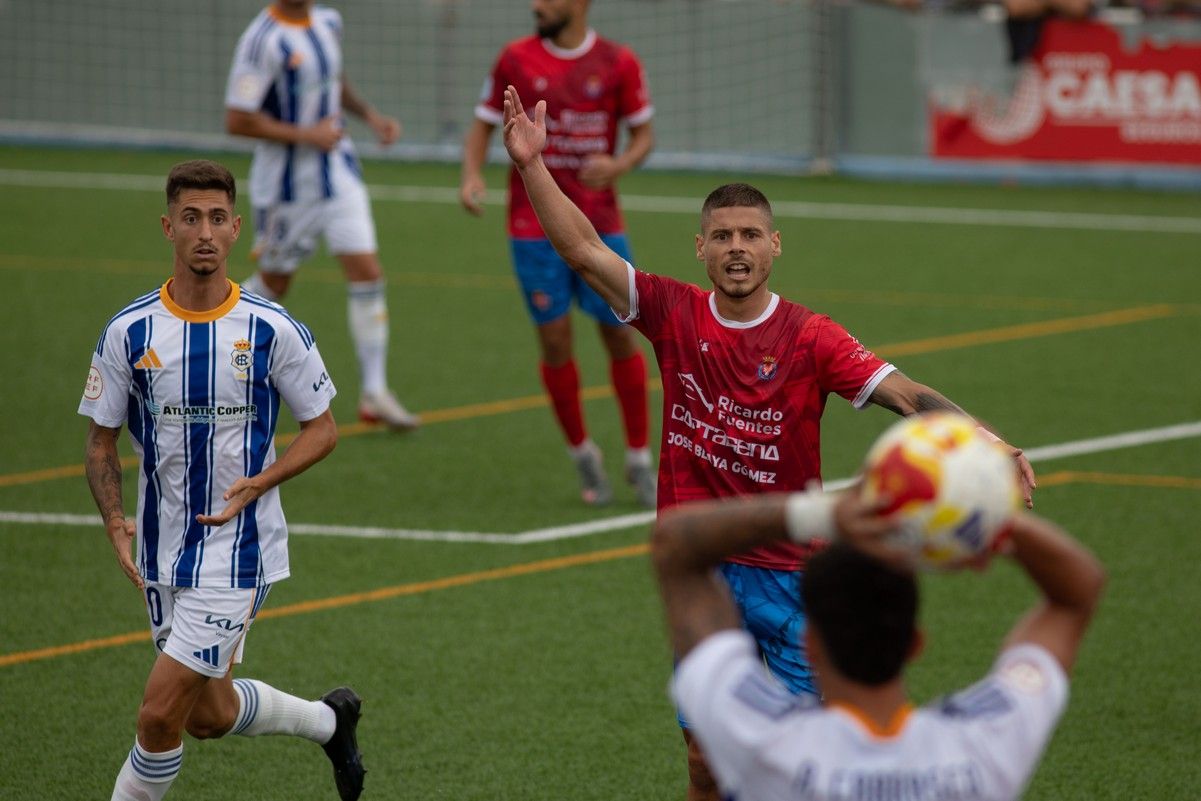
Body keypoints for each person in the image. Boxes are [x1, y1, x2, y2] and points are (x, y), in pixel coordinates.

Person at [499, 85, 1041, 800]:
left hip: (789, 577)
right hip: (702, 570)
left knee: (802, 763)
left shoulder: (813, 338)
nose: (735, 249)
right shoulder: (671, 312)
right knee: (701, 757)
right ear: (700, 247)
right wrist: (532, 164)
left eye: (750, 235)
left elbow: (907, 398)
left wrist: (991, 443)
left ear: (774, 245)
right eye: (721, 236)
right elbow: (580, 248)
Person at [80, 160, 365, 801]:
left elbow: (322, 428)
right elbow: (99, 443)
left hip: (239, 554)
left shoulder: (273, 329)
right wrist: (114, 525)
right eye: (190, 218)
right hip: (160, 550)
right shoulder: (129, 332)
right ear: (168, 227)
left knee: (157, 717)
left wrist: (262, 482)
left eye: (216, 219)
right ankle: (329, 722)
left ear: (237, 229)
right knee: (205, 717)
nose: (203, 232)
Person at [651, 485, 1105, 801]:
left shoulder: (759, 734)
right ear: (914, 643)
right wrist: (990, 520)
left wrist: (821, 514)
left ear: (809, 642)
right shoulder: (982, 744)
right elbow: (1076, 595)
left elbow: (674, 544)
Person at [460, 0, 657, 507]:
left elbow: (644, 135)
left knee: (621, 335)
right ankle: (583, 455)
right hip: (532, 228)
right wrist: (472, 174)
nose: (536, 5)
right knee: (555, 343)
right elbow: (483, 123)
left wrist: (619, 163)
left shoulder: (619, 61)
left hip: (602, 225)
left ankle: (639, 457)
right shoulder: (516, 59)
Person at [225, 0, 419, 431]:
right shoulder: (262, 41)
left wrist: (369, 115)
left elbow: (331, 79)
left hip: (339, 175)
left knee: (368, 272)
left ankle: (374, 392)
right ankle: (218, 341)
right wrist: (305, 134)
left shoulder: (329, 20)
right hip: (287, 191)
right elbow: (238, 120)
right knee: (275, 285)